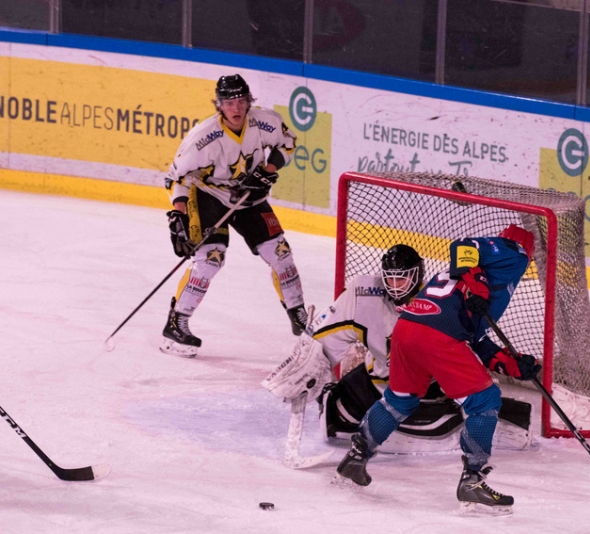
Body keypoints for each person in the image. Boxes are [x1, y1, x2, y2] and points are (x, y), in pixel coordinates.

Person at [335, 225, 541, 515]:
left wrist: (512, 364)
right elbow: (463, 244)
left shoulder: (469, 277)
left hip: (407, 329)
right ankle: (473, 480)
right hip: (436, 335)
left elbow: (477, 339)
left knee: (400, 400)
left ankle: (355, 458)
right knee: (485, 401)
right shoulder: (512, 255)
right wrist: (479, 285)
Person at [261, 244, 534, 454]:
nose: (394, 286)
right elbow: (325, 335)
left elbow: (476, 342)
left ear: (418, 275)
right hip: (380, 383)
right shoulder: (364, 292)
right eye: (389, 279)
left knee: (481, 406)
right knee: (336, 405)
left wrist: (507, 362)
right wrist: (307, 363)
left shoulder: (440, 300)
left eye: (401, 279)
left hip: (428, 391)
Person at [161, 74, 307, 357]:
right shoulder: (203, 138)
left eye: (241, 101)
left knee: (280, 252)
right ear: (219, 104)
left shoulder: (266, 122)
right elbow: (177, 176)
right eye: (229, 102)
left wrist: (267, 171)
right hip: (209, 197)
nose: (236, 109)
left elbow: (288, 143)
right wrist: (177, 216)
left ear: (249, 101)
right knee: (210, 259)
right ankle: (176, 322)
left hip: (250, 197)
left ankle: (298, 315)